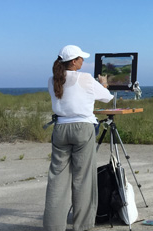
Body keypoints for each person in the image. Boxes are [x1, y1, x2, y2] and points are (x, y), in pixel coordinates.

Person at [44, 45, 114, 231]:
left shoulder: (52, 80)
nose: (83, 61)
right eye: (81, 58)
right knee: (83, 179)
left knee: (57, 179)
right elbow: (107, 97)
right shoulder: (85, 79)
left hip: (60, 129)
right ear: (74, 61)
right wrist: (104, 83)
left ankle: (53, 226)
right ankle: (82, 226)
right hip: (82, 129)